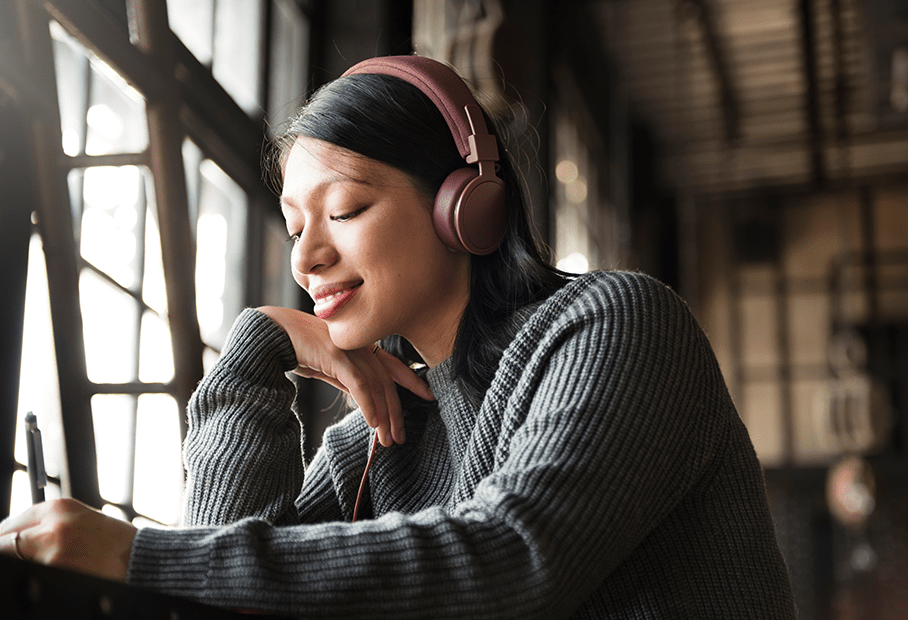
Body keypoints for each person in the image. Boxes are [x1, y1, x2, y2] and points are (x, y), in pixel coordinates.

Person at [1, 55, 796, 618]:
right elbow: (216, 595)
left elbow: (513, 558)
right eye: (294, 226)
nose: (307, 258)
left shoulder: (618, 326)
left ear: (465, 203)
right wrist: (258, 349)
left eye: (343, 211)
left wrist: (135, 553)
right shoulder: (376, 446)